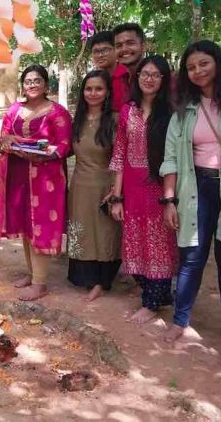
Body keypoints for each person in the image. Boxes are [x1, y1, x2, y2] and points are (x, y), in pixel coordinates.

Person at [161, 40, 221, 343]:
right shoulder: (184, 110)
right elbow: (170, 157)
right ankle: (181, 319)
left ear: (218, 62)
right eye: (191, 67)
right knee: (192, 256)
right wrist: (169, 200)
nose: (197, 71)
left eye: (203, 63)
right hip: (195, 188)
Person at [0, 64, 72, 301]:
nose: (33, 85)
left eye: (38, 81)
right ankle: (31, 274)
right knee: (27, 225)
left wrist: (44, 153)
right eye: (28, 81)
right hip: (18, 177)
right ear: (22, 86)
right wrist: (6, 143)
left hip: (46, 178)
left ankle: (40, 283)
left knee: (41, 226)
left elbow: (66, 145)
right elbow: (2, 140)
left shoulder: (58, 112)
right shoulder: (14, 111)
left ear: (46, 85)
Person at [109, 56, 177, 324]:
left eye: (156, 74)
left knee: (159, 243)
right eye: (144, 74)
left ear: (164, 80)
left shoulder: (171, 112)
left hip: (159, 186)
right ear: (137, 79)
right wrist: (117, 197)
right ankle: (158, 294)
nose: (149, 79)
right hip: (132, 188)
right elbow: (119, 153)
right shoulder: (128, 110)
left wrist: (171, 194)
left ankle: (152, 302)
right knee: (136, 241)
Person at [67, 70, 121, 302]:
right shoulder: (76, 119)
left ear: (107, 92)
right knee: (82, 231)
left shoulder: (115, 120)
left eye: (98, 88)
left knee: (104, 233)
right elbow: (64, 148)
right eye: (88, 89)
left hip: (105, 185)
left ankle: (102, 281)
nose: (93, 93)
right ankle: (84, 278)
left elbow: (121, 158)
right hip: (79, 186)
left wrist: (116, 191)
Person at [88, 31, 131, 112]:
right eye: (96, 51)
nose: (100, 55)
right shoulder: (92, 80)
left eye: (105, 50)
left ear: (116, 50)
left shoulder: (128, 75)